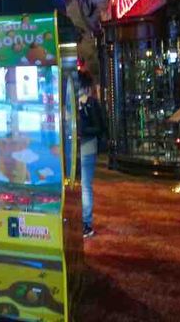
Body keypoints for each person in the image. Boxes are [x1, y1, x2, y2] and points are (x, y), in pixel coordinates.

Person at [78, 71, 105, 238]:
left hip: (87, 148)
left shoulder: (91, 104)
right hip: (75, 150)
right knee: (80, 185)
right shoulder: (75, 103)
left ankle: (86, 223)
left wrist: (82, 131)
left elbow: (100, 127)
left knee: (85, 185)